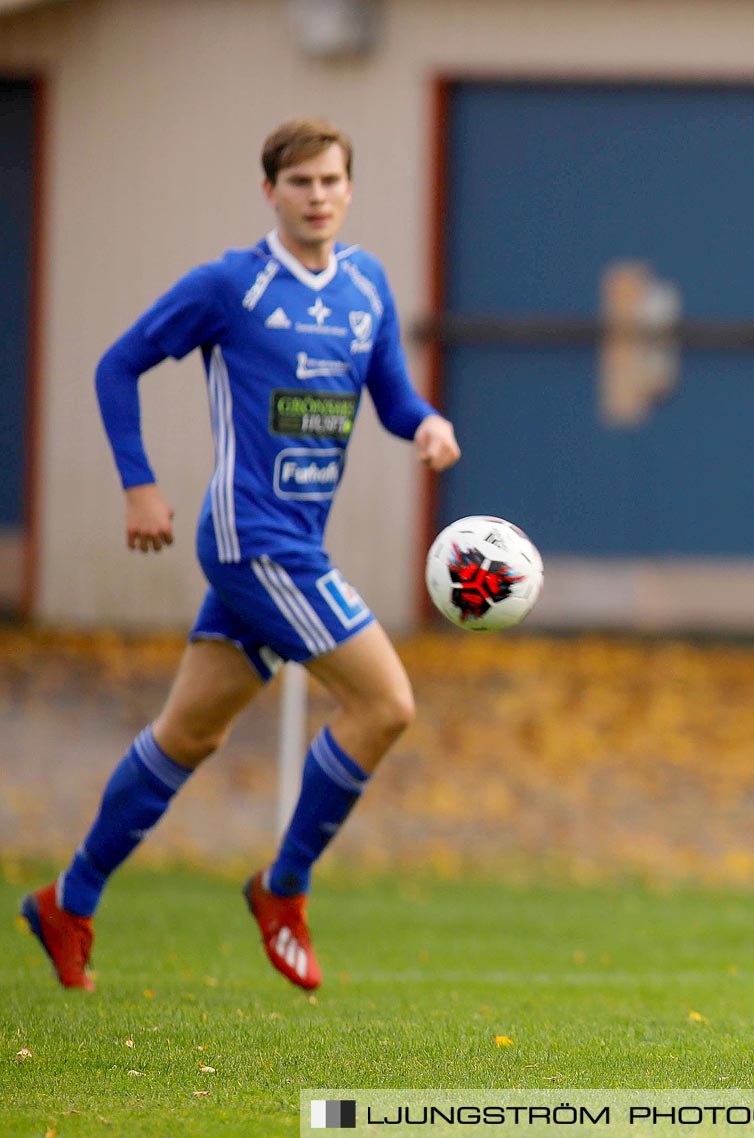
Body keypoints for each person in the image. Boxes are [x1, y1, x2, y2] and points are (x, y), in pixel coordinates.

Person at [21, 118, 460, 992]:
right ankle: (283, 888)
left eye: (332, 181)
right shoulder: (230, 284)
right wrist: (138, 484)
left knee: (189, 732)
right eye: (300, 183)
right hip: (253, 541)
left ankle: (69, 898)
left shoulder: (366, 285)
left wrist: (429, 424)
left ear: (348, 188)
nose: (318, 197)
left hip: (293, 543)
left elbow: (393, 398)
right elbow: (118, 365)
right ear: (270, 192)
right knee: (386, 705)